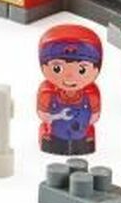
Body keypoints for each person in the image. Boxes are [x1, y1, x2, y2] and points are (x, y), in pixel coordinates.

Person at [37, 24, 103, 156]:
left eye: (82, 70)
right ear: (44, 66)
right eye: (57, 68)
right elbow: (43, 115)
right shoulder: (47, 93)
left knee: (83, 145)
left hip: (81, 137)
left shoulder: (91, 95)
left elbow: (94, 117)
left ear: (96, 68)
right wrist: (57, 117)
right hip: (55, 135)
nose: (70, 77)